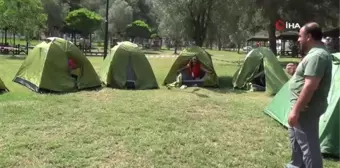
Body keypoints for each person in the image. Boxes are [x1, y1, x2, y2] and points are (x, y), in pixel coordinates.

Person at [286, 22, 332, 168]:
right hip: (301, 109)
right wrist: (295, 72)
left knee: (309, 147)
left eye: (300, 36)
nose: (298, 39)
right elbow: (308, 79)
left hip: (305, 110)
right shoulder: (313, 55)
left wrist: (296, 111)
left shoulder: (317, 56)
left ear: (309, 36)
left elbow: (311, 85)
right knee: (297, 142)